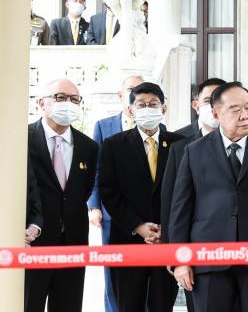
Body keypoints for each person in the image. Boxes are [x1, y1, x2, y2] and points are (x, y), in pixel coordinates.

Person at [169, 82, 248, 312]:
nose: (245, 115)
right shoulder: (195, 151)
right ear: (216, 113)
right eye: (235, 109)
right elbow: (181, 209)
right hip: (209, 257)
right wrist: (180, 259)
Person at [99, 82, 185, 312]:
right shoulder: (114, 145)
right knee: (129, 303)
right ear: (131, 110)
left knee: (162, 304)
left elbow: (184, 193)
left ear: (163, 108)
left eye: (153, 104)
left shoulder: (180, 144)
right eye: (141, 104)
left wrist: (167, 228)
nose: (148, 109)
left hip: (166, 239)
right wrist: (137, 226)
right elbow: (109, 192)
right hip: (128, 239)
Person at [25, 79, 98, 312]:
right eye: (60, 97)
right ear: (41, 103)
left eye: (74, 99)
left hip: (73, 242)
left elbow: (83, 190)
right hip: (33, 241)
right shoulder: (22, 139)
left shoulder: (89, 146)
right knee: (29, 304)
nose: (68, 104)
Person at [160, 78, 226, 312]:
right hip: (197, 250)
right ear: (196, 105)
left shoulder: (247, 138)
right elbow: (171, 203)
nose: (214, 106)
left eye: (219, 100)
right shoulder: (179, 143)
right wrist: (175, 255)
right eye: (209, 100)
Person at [88, 74, 144, 312]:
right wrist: (94, 205)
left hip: (144, 215)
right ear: (121, 96)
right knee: (112, 273)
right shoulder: (104, 126)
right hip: (112, 214)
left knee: (142, 273)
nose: (135, 93)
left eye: (140, 89)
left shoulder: (156, 126)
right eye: (131, 89)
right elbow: (95, 170)